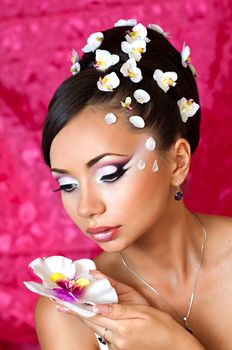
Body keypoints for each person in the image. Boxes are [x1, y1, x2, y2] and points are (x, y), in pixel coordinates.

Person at [35, 21, 232, 350]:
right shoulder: (70, 311)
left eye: (109, 173)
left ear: (179, 162)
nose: (86, 207)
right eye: (67, 185)